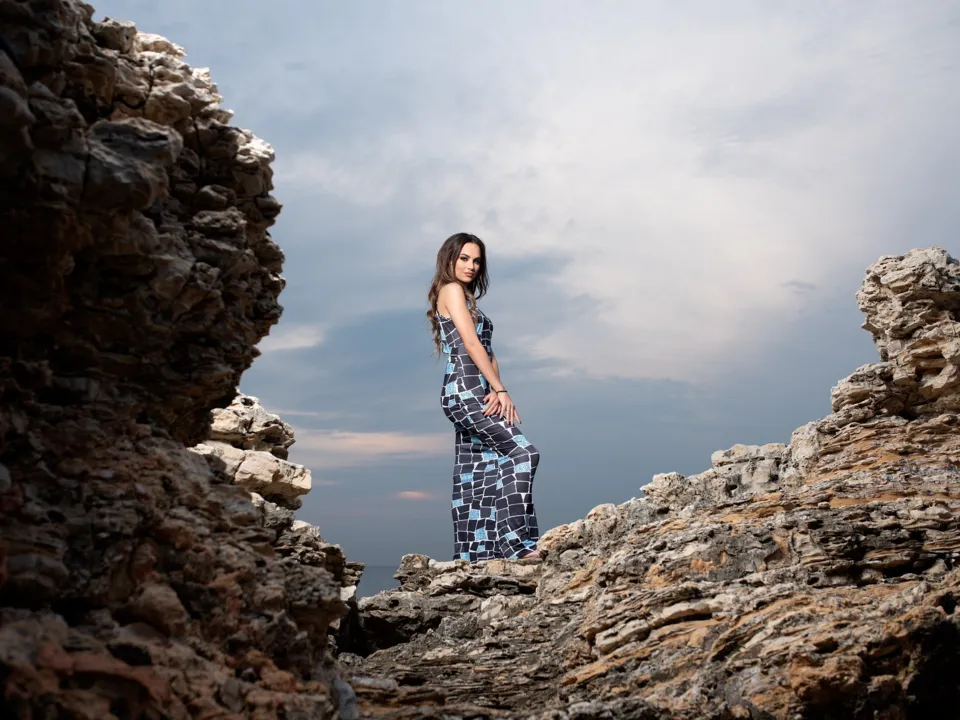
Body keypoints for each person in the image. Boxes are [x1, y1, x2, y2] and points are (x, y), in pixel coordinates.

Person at [426, 232, 541, 561]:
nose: (471, 266)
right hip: (463, 390)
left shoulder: (467, 298)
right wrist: (501, 390)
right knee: (524, 454)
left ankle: (479, 555)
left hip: (480, 390)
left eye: (477, 261)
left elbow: (488, 352)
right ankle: (516, 545)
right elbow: (471, 344)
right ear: (449, 259)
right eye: (464, 258)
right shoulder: (450, 290)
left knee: (479, 469)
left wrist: (495, 388)